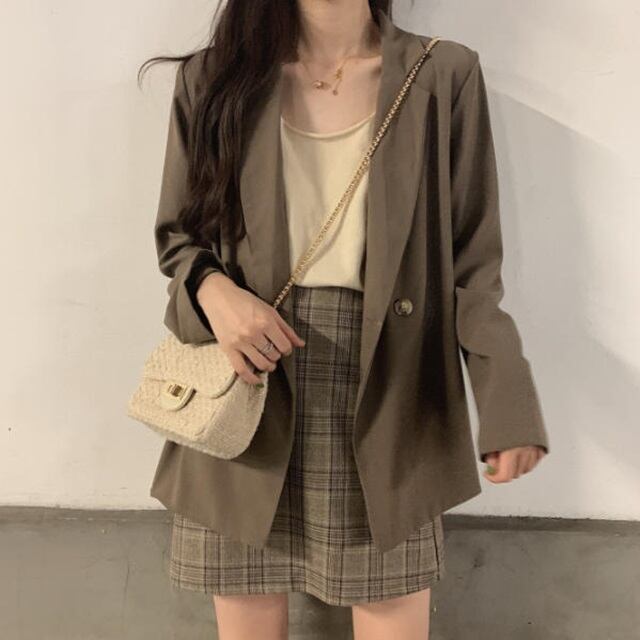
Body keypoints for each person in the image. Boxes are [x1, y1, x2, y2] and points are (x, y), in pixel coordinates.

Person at [138, 0, 550, 637]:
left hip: (388, 388)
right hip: (248, 381)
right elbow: (179, 237)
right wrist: (216, 295)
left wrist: (506, 399)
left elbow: (472, 264)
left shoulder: (442, 74)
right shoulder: (216, 77)